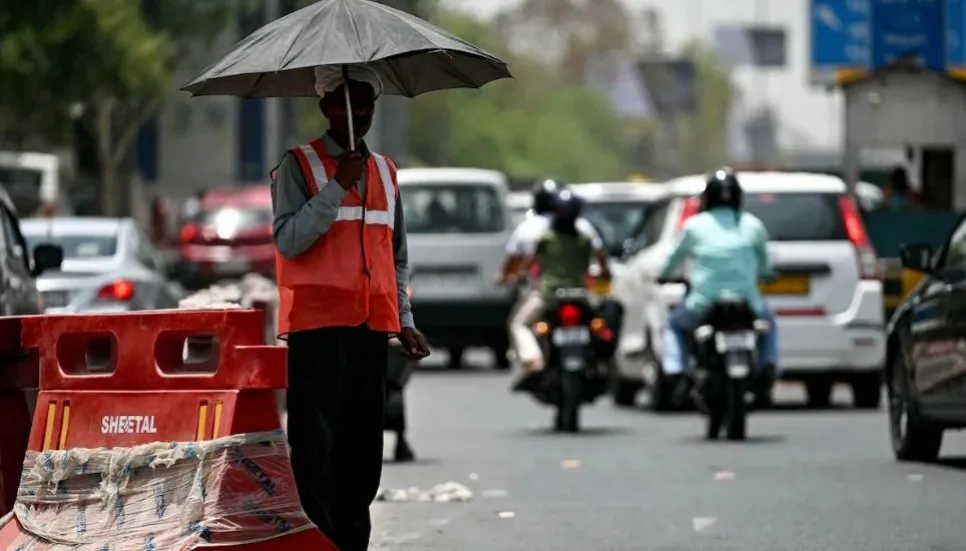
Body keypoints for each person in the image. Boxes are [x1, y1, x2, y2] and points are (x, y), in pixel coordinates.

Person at [270, 64, 431, 551]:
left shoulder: (385, 170)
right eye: (348, 101)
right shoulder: (299, 166)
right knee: (316, 455)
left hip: (368, 334)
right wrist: (338, 185)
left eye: (367, 103)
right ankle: (322, 543)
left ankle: (353, 544)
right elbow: (289, 240)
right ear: (324, 106)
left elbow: (395, 255)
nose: (358, 112)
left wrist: (404, 321)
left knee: (362, 457)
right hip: (316, 334)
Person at [659, 168, 778, 406]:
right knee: (769, 325)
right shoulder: (753, 225)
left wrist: (663, 276)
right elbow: (764, 264)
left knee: (673, 325)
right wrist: (766, 275)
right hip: (747, 301)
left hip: (703, 302)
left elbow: (673, 258)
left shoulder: (694, 226)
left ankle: (676, 369)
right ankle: (768, 364)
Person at [508, 190, 611, 389]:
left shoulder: (546, 238)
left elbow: (529, 264)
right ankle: (600, 363)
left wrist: (518, 275)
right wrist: (603, 274)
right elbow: (600, 262)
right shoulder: (584, 239)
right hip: (580, 294)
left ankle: (533, 359)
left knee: (518, 324)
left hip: (549, 295)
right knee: (601, 325)